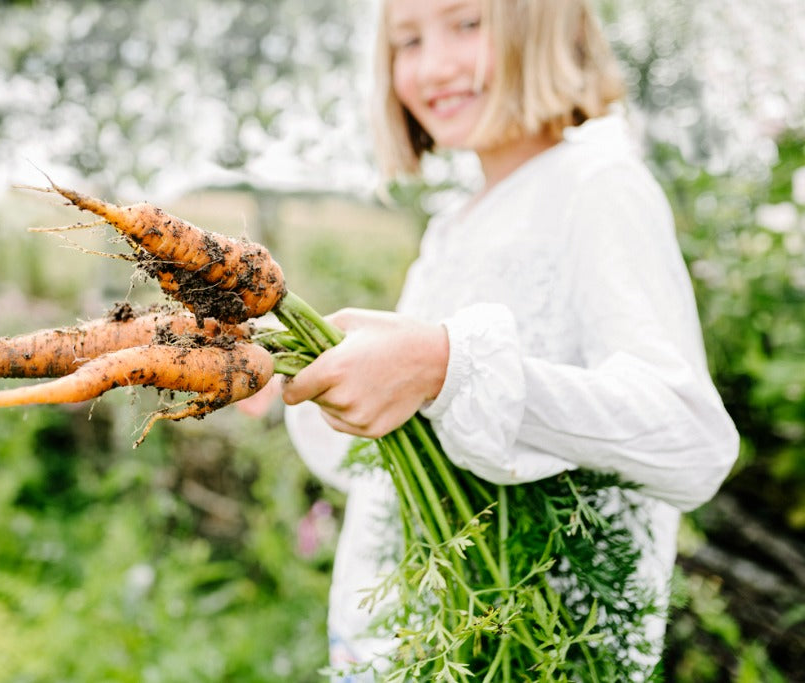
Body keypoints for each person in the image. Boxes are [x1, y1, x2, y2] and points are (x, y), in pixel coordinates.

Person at [245, 0, 740, 679]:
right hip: (415, 650)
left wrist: (448, 366)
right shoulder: (451, 228)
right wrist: (302, 381)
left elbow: (691, 440)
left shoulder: (599, 188)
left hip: (539, 657)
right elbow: (391, 463)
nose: (433, 65)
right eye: (407, 40)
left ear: (546, 24)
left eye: (467, 23)